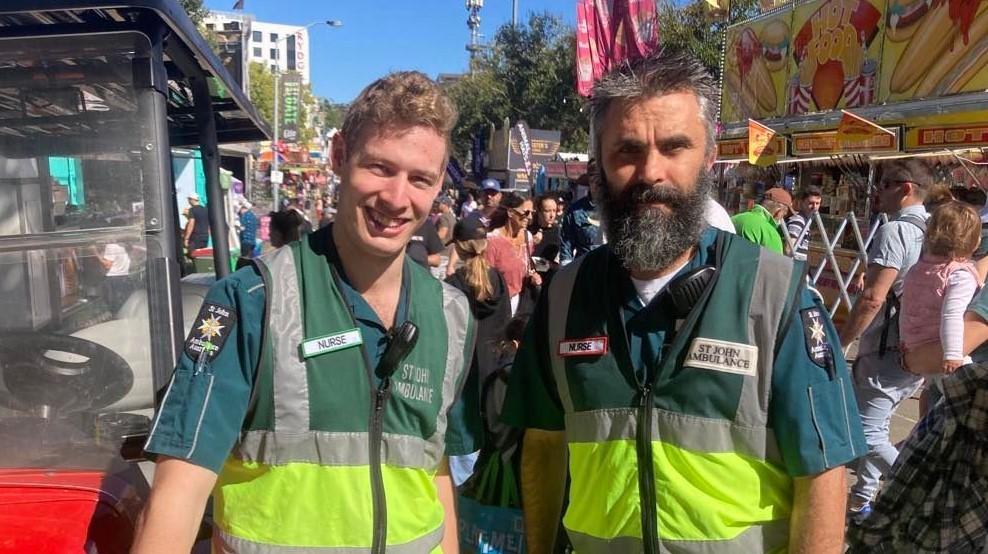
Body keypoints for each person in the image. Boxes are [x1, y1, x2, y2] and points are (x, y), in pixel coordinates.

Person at [501, 48, 864, 554]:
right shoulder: (564, 297)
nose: (651, 171)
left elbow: (823, 472)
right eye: (627, 150)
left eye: (674, 147)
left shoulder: (777, 296)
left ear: (710, 156)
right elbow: (542, 444)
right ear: (599, 165)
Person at [133, 71, 479, 553]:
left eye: (419, 178)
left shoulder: (451, 315)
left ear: (439, 182)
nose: (398, 199)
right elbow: (178, 491)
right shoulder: (253, 301)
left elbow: (435, 469)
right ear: (339, 157)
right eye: (379, 167)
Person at [838, 159, 932, 524]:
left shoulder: (895, 231)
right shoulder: (933, 229)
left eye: (887, 183)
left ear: (907, 188)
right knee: (879, 424)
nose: (878, 190)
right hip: (917, 347)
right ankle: (862, 501)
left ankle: (920, 494)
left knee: (867, 430)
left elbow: (874, 297)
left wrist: (844, 338)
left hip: (885, 347)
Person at [444, 217, 512, 486]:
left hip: (465, 379)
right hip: (494, 373)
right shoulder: (498, 279)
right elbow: (506, 322)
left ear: (459, 246)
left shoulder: (453, 284)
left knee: (463, 454)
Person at [899, 201, 983, 413]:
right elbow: (952, 314)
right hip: (948, 356)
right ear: (974, 242)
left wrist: (905, 341)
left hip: (918, 350)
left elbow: (906, 307)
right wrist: (953, 354)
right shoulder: (959, 275)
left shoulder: (918, 270)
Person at [486, 192, 542, 316]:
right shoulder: (493, 240)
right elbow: (486, 279)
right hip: (498, 306)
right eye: (526, 212)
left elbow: (525, 267)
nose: (530, 217)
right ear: (511, 212)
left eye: (532, 213)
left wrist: (533, 276)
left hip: (521, 305)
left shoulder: (528, 238)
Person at [731, 187, 793, 254]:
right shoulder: (771, 234)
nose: (782, 219)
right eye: (783, 215)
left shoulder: (735, 219)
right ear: (779, 212)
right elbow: (774, 264)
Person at [559, 174, 602, 264]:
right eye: (595, 181)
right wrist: (567, 272)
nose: (599, 185)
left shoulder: (618, 208)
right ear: (590, 183)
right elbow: (567, 245)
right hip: (586, 268)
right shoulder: (575, 211)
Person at [787, 186, 822, 262]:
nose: (814, 207)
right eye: (811, 203)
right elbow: (788, 249)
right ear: (802, 202)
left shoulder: (805, 221)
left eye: (817, 203)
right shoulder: (798, 221)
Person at [530, 193, 561, 264]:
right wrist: (531, 243)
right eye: (547, 211)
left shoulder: (558, 232)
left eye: (554, 210)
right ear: (539, 212)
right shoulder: (529, 230)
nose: (552, 215)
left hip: (550, 273)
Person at [183, 192, 210, 257]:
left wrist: (186, 238)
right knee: (203, 256)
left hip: (195, 237)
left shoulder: (192, 210)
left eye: (189, 200)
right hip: (205, 237)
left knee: (193, 255)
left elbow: (191, 224)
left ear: (192, 199)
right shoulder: (205, 209)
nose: (188, 201)